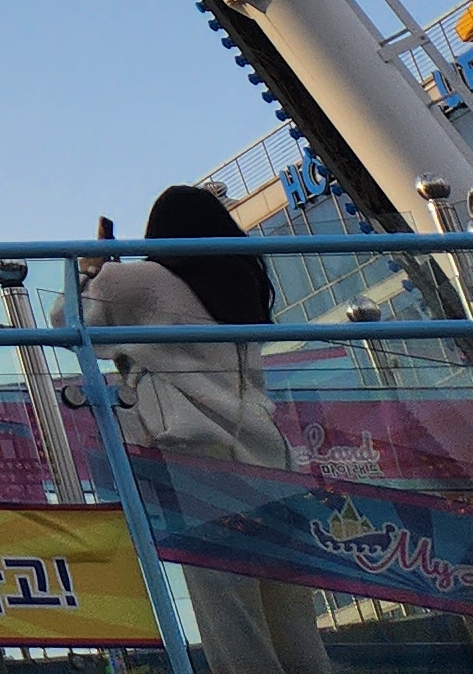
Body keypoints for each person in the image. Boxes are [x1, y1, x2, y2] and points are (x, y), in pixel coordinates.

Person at [89, 186, 331, 674]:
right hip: (268, 452)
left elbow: (72, 321)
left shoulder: (137, 279)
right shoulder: (243, 279)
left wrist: (92, 267)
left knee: (228, 608)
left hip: (197, 454)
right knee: (289, 610)